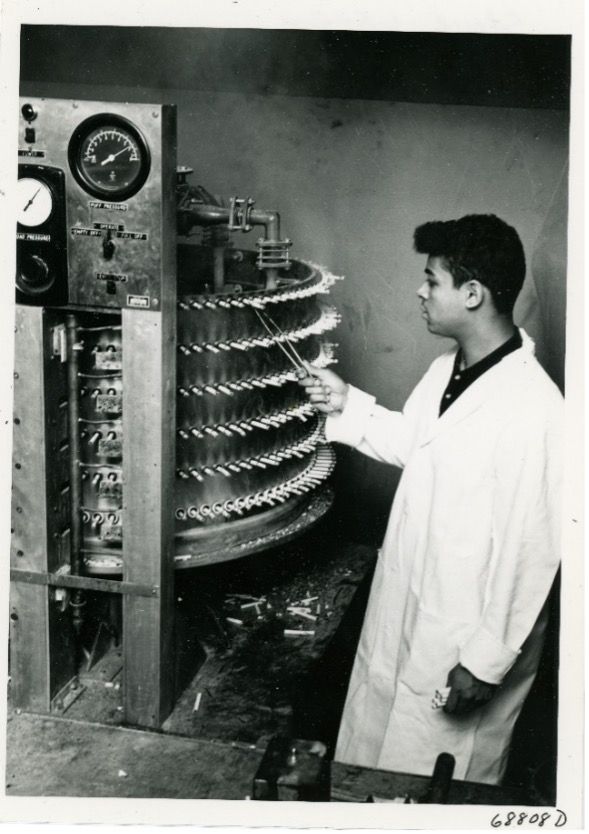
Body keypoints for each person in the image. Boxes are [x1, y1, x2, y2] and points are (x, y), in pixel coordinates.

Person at [298, 214, 563, 785]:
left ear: (473, 294)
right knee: (371, 775)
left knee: (436, 783)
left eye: (432, 280)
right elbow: (417, 444)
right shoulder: (450, 368)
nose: (420, 292)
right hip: (411, 603)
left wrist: (485, 662)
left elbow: (533, 550)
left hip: (462, 639)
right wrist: (346, 403)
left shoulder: (535, 409)